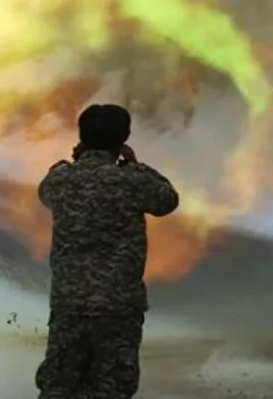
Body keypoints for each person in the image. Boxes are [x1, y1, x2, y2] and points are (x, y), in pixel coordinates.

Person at [35, 103, 180, 399]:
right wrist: (135, 165)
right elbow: (167, 200)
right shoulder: (133, 181)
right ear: (123, 138)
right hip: (117, 306)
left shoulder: (60, 180)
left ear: (81, 136)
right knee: (111, 387)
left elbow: (45, 190)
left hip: (69, 304)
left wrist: (75, 162)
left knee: (60, 386)